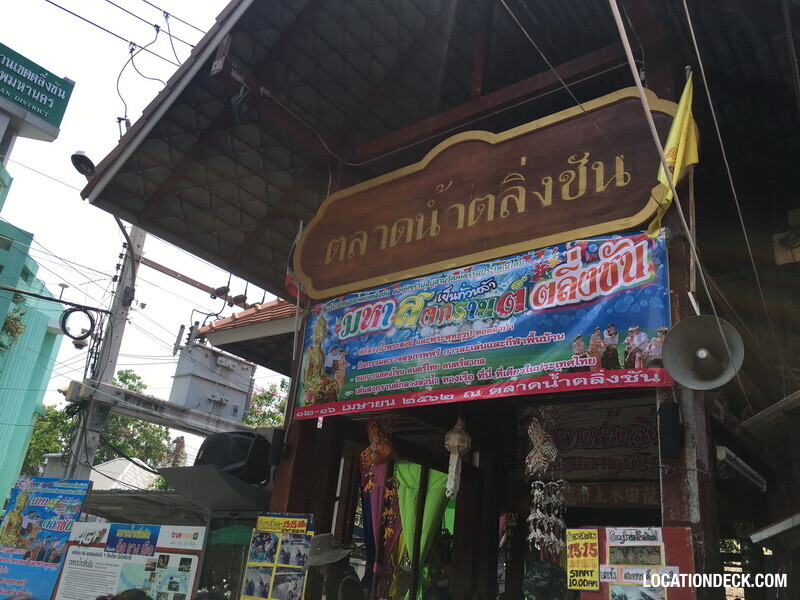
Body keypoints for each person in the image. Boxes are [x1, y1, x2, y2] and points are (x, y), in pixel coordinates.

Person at [305, 533, 365, 600]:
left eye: (318, 566)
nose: (317, 570)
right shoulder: (338, 580)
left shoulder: (348, 584)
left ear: (330, 561)